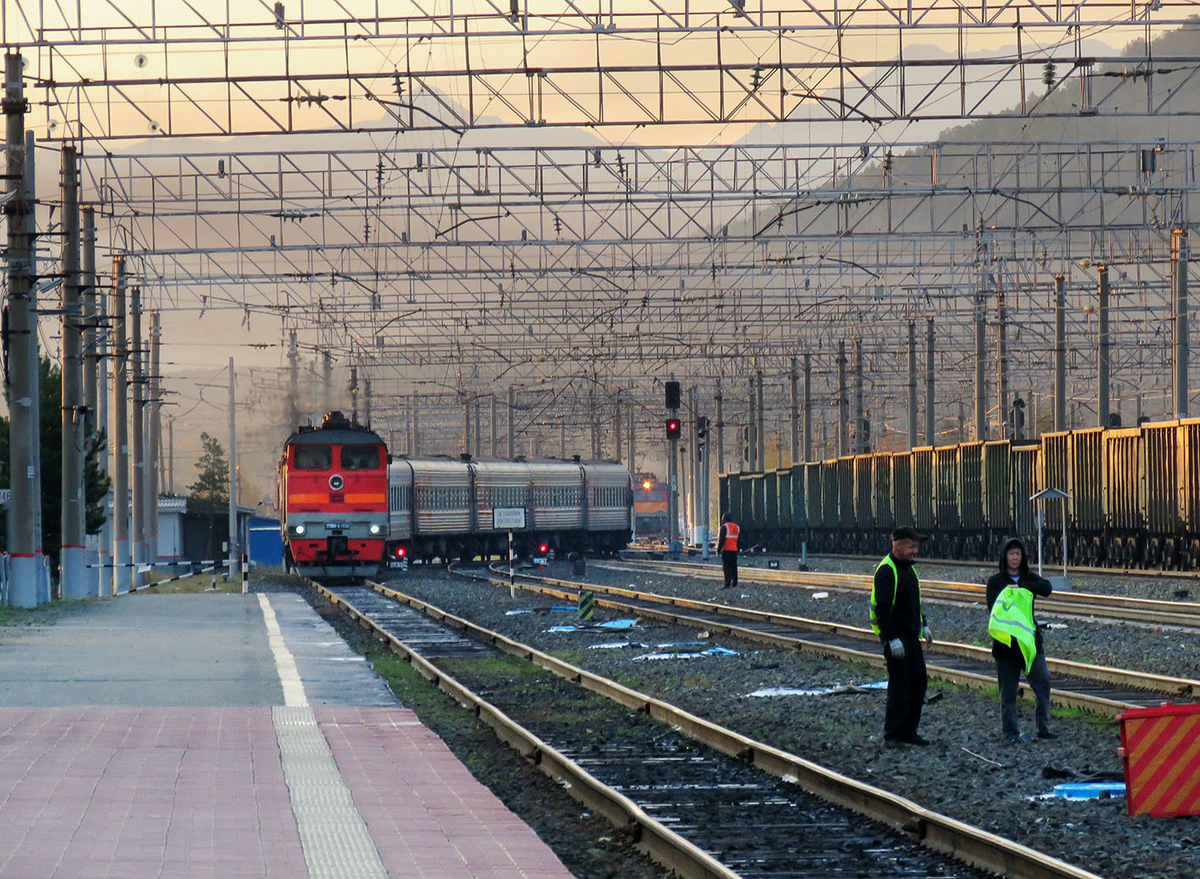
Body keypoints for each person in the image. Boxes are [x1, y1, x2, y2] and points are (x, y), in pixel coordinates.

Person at [986, 537, 1058, 744]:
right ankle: (1010, 732)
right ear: (1004, 556)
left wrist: (1023, 585)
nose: (1015, 557)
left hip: (1030, 643)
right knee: (1008, 692)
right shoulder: (996, 582)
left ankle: (1043, 727)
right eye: (1011, 553)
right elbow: (993, 609)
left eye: (1018, 553)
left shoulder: (1028, 578)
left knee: (1042, 683)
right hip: (1006, 647)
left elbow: (1047, 588)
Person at [870, 526, 934, 746]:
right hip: (897, 637)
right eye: (912, 546)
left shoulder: (909, 570)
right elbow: (882, 610)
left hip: (910, 636)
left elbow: (913, 603)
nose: (915, 551)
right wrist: (891, 639)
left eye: (916, 547)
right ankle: (893, 735)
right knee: (900, 687)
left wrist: (923, 625)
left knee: (918, 683)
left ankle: (908, 732)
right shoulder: (887, 571)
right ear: (898, 545)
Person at [717, 512, 739, 589]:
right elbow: (739, 540)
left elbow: (721, 540)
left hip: (726, 550)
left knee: (726, 567)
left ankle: (727, 584)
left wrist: (718, 550)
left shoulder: (724, 527)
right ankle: (735, 582)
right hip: (734, 550)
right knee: (734, 566)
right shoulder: (736, 527)